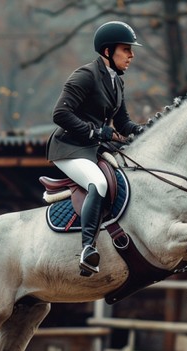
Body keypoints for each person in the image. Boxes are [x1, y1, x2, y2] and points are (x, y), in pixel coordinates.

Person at [47, 21, 145, 276]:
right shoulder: (86, 75)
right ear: (107, 51)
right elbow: (60, 113)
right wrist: (94, 131)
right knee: (98, 183)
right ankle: (87, 248)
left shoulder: (117, 82)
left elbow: (122, 122)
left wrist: (143, 130)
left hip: (92, 147)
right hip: (69, 147)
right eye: (126, 49)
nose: (131, 55)